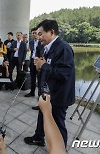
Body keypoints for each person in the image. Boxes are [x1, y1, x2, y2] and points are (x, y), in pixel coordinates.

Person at [24, 19, 75, 148]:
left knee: (57, 123)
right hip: (47, 93)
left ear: (51, 32)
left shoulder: (64, 48)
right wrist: (41, 67)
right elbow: (49, 68)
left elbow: (63, 74)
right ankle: (38, 138)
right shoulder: (45, 47)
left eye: (41, 34)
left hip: (59, 95)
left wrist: (44, 66)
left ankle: (60, 148)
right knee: (42, 115)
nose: (39, 37)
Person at [25, 27, 41, 97]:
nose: (34, 34)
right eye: (33, 33)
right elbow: (29, 50)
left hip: (39, 62)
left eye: (35, 33)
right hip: (32, 61)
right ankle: (32, 92)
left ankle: (40, 95)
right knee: (32, 77)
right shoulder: (31, 42)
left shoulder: (42, 41)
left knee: (40, 79)